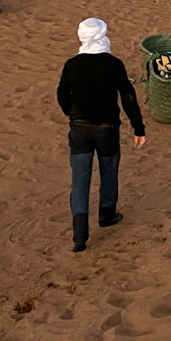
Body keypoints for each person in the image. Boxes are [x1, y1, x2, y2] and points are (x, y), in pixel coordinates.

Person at [56, 18, 146, 253]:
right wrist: (138, 128)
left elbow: (61, 94)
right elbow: (128, 96)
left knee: (80, 179)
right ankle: (106, 214)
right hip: (107, 129)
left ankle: (79, 235)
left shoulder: (72, 64)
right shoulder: (113, 64)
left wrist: (72, 114)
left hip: (80, 129)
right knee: (109, 170)